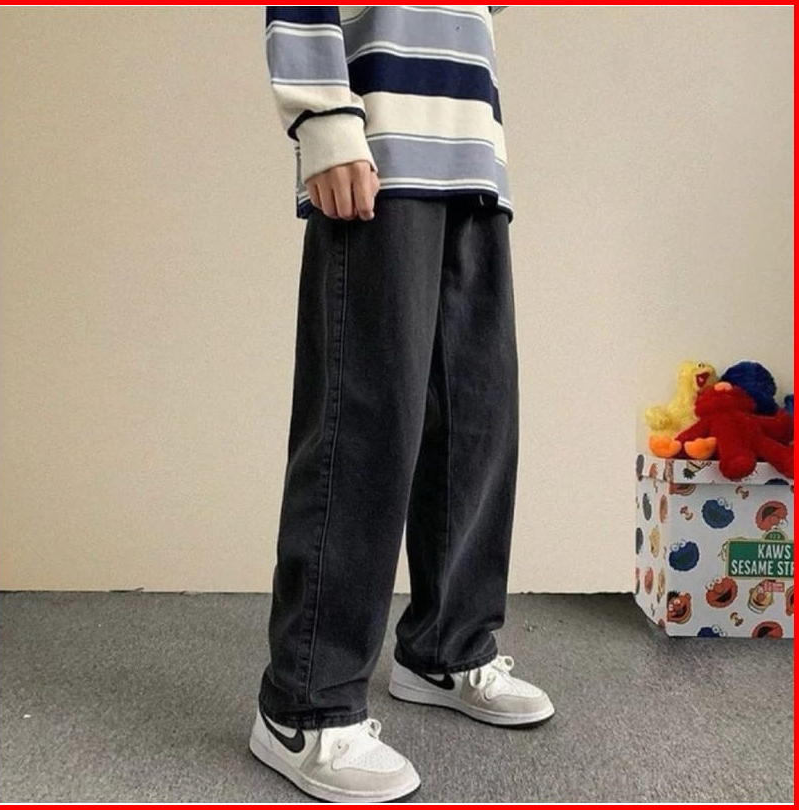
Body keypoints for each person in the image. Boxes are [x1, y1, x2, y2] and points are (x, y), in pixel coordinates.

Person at [249, 5, 554, 803]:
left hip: (472, 148)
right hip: (378, 141)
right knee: (365, 423)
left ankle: (446, 649)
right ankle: (304, 706)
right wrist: (324, 119)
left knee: (477, 416)